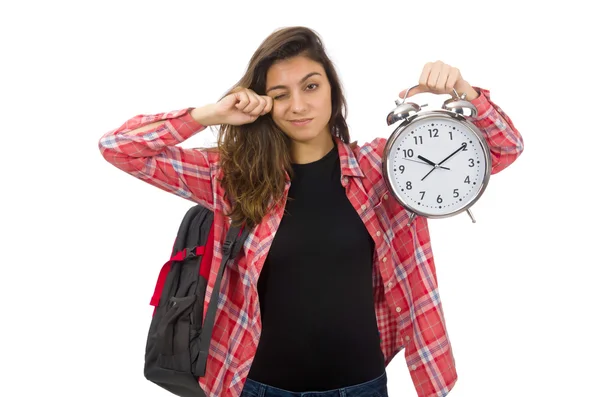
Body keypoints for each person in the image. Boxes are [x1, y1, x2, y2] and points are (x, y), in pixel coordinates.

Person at [98, 26, 524, 397]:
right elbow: (119, 149)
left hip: (361, 387)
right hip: (258, 387)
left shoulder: (385, 169)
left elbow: (504, 149)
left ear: (333, 91)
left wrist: (464, 91)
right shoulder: (232, 176)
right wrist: (211, 113)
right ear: (263, 104)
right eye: (279, 95)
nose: (298, 106)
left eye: (311, 86)